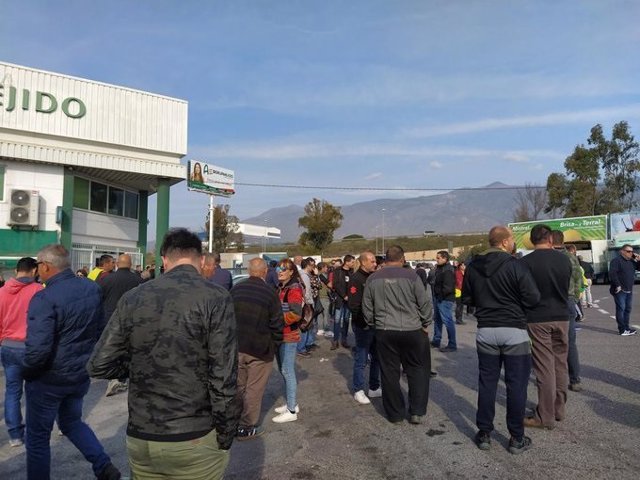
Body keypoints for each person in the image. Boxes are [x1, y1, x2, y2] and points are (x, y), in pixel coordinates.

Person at [87, 228, 239, 479]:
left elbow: (99, 364)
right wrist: (226, 432)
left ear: (164, 260)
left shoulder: (133, 297)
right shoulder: (215, 297)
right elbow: (224, 374)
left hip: (142, 436)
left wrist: (138, 366)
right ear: (201, 261)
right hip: (194, 436)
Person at [24, 245, 120, 480]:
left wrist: (26, 371)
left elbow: (38, 348)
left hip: (49, 378)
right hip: (78, 374)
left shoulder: (44, 297)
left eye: (39, 265)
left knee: (37, 438)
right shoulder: (91, 288)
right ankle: (103, 465)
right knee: (71, 423)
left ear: (45, 266)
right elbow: (98, 330)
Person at [462, 226, 540, 454]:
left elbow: (467, 297)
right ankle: (516, 438)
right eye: (512, 240)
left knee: (487, 382)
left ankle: (484, 433)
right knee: (516, 385)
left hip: (486, 330)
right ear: (505, 242)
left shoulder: (474, 266)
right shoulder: (516, 265)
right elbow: (533, 297)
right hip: (514, 331)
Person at [362, 245, 433, 424]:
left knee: (389, 372)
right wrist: (425, 323)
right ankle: (416, 411)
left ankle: (395, 414)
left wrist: (374, 324)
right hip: (412, 330)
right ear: (402, 259)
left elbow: (367, 307)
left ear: (385, 259)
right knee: (417, 370)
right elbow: (424, 303)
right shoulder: (412, 276)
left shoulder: (373, 278)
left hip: (385, 330)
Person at [520, 224, 572, 430]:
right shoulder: (564, 259)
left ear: (532, 241)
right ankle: (559, 409)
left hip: (537, 317)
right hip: (562, 316)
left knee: (544, 367)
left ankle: (545, 416)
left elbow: (523, 292)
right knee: (560, 364)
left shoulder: (525, 263)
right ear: (550, 239)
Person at [231, 258, 284, 440]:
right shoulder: (270, 293)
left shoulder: (236, 289)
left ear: (248, 270)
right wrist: (274, 346)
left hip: (236, 347)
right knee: (254, 389)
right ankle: (247, 427)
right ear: (264, 271)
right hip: (260, 350)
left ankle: (233, 421)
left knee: (238, 386)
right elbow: (277, 324)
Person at [0, 257, 42, 447]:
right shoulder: (39, 291)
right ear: (34, 271)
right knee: (35, 392)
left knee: (12, 392)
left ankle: (15, 435)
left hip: (8, 346)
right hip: (32, 347)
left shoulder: (1, 292)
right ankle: (35, 432)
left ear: (17, 270)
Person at [97, 253, 143, 397]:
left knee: (112, 348)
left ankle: (114, 377)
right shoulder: (138, 280)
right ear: (130, 264)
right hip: (132, 320)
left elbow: (99, 298)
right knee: (129, 349)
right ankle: (125, 376)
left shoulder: (106, 279)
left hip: (110, 319)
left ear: (117, 264)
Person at [272, 258, 304, 423]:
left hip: (289, 336)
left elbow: (296, 314)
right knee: (283, 370)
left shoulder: (294, 289)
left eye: (284, 269)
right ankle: (292, 403)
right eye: (278, 268)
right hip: (280, 335)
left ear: (291, 272)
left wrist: (275, 320)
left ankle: (292, 410)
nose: (280, 271)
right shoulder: (281, 287)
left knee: (287, 371)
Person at [348, 250, 381, 405]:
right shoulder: (356, 278)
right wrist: (364, 322)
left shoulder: (375, 277)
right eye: (372, 261)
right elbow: (354, 305)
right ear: (363, 262)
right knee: (361, 359)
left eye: (375, 261)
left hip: (377, 324)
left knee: (377, 357)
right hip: (363, 326)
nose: (375, 264)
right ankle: (358, 389)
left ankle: (374, 387)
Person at [608, 244, 640, 336]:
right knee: (621, 309)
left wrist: (639, 260)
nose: (631, 253)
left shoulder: (632, 261)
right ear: (622, 251)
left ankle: (626, 328)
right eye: (628, 251)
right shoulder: (616, 261)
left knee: (627, 309)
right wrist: (618, 285)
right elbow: (612, 273)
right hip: (620, 290)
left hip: (629, 289)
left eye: (632, 251)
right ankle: (622, 330)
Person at [431, 250, 457, 352]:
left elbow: (448, 287)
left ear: (445, 258)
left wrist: (441, 296)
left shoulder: (448, 270)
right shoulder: (439, 269)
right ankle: (436, 340)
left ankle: (452, 344)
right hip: (438, 298)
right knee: (437, 320)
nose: (436, 260)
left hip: (445, 299)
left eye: (438, 258)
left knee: (448, 321)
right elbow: (433, 280)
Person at [332, 254, 355, 349]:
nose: (353, 264)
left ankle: (344, 340)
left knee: (346, 320)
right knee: (337, 320)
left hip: (348, 300)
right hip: (340, 299)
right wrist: (344, 296)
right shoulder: (338, 271)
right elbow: (336, 284)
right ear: (347, 262)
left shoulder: (351, 271)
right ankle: (335, 340)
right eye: (352, 262)